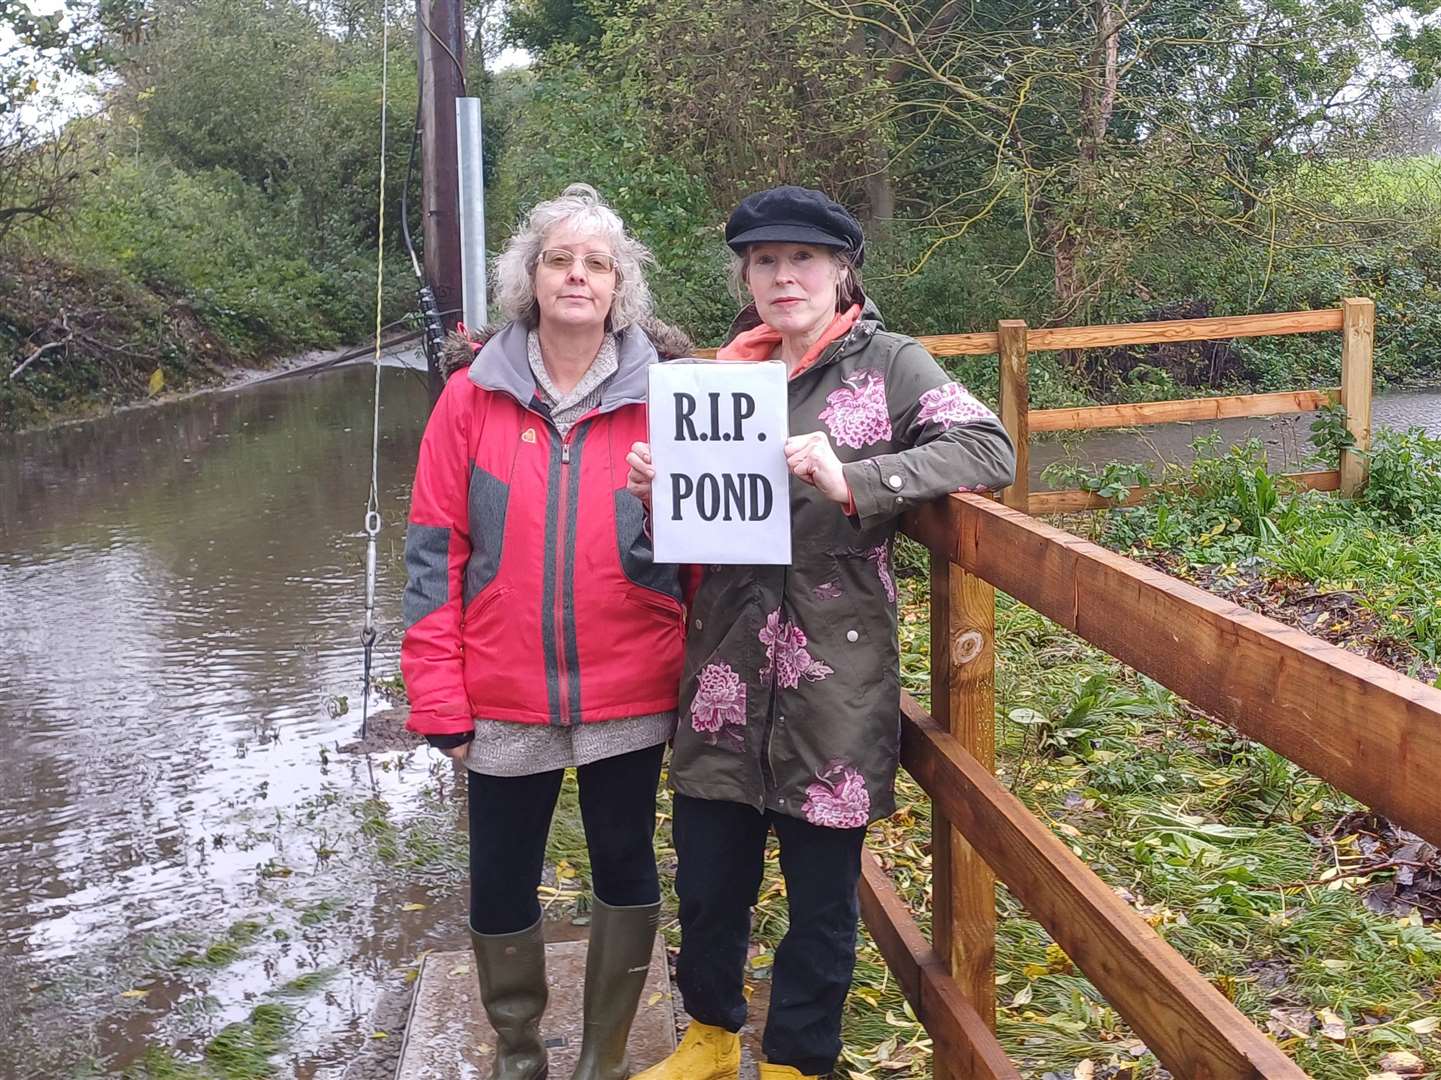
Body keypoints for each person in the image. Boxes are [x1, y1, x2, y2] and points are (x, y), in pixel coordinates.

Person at [626, 186, 1016, 1080]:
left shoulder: (889, 365)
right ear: (747, 278)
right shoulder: (719, 378)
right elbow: (677, 541)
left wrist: (860, 478)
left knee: (821, 890)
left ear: (843, 271)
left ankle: (802, 1057)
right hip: (723, 669)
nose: (782, 276)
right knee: (709, 873)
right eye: (764, 262)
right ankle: (710, 1037)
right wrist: (658, 493)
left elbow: (988, 450)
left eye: (802, 259)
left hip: (835, 674)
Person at [401, 183, 693, 1080]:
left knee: (624, 862)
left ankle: (603, 1058)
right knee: (499, 875)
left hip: (632, 681)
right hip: (503, 689)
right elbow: (431, 554)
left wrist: (666, 504)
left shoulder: (675, 396)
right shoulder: (470, 397)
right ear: (530, 277)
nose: (577, 275)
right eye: (559, 259)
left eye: (595, 264)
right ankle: (519, 1053)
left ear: (619, 287)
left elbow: (711, 555)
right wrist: (438, 698)